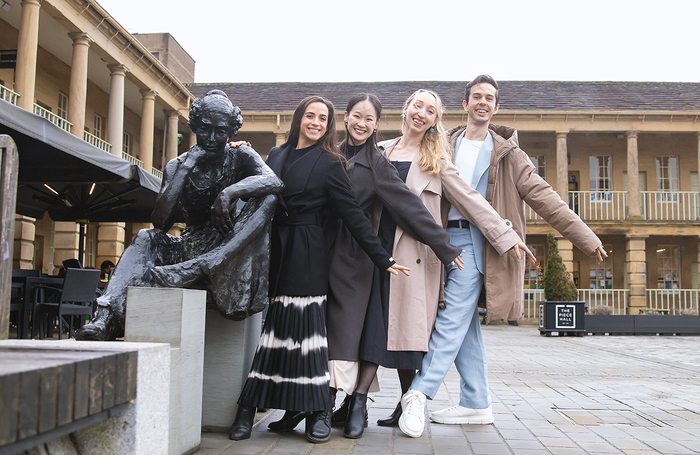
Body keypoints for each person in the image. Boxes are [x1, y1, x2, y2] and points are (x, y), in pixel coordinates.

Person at [398, 75, 607, 438]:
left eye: (489, 98)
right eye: (476, 96)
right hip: (441, 242)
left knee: (448, 318)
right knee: (464, 325)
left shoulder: (510, 155)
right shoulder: (443, 144)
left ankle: (419, 392)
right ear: (464, 105)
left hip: (484, 244)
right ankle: (476, 402)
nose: (482, 102)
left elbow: (545, 197)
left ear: (496, 107)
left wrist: (585, 237)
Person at [348, 89, 534, 434]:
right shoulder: (379, 150)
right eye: (417, 106)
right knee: (375, 323)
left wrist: (505, 234)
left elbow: (470, 199)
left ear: (435, 121)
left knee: (408, 331)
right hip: (378, 250)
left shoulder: (437, 160)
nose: (421, 113)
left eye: (430, 111)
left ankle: (404, 402)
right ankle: (362, 401)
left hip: (417, 254)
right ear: (405, 110)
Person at [228, 96, 409, 444]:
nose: (315, 122)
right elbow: (255, 187)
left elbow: (354, 215)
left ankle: (314, 413)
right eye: (310, 115)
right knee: (275, 333)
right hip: (276, 250)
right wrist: (239, 152)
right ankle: (255, 407)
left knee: (310, 340)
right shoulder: (276, 155)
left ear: (329, 125)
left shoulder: (331, 162)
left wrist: (382, 257)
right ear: (299, 119)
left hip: (309, 252)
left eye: (322, 118)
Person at [76, 90, 283, 341]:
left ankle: (209, 263)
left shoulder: (241, 156)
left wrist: (229, 192)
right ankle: (105, 319)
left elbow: (274, 181)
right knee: (145, 237)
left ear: (231, 131)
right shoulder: (177, 165)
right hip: (188, 249)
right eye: (205, 129)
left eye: (221, 131)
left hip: (228, 250)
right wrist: (185, 168)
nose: (212, 138)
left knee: (268, 197)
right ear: (195, 125)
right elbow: (161, 223)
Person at [317, 93, 465, 439]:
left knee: (373, 328)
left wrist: (444, 245)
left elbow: (410, 206)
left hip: (382, 253)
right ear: (346, 117)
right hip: (339, 248)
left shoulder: (388, 161)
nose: (362, 123)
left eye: (369, 119)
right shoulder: (352, 151)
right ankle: (323, 403)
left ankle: (357, 402)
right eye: (357, 116)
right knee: (336, 326)